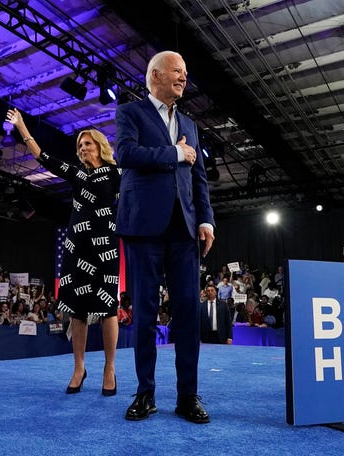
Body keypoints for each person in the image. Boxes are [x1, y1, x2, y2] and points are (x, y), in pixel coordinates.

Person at [115, 50, 215, 423]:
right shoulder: (131, 113)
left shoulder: (190, 123)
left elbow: (200, 179)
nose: (183, 77)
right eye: (177, 71)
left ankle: (188, 396)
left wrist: (206, 221)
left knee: (188, 314)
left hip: (185, 230)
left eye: (185, 72)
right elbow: (124, 153)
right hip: (143, 227)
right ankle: (145, 393)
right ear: (155, 75)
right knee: (143, 314)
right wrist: (173, 153)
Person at [6, 108, 121, 397]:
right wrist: (22, 126)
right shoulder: (77, 173)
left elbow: (135, 197)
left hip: (105, 247)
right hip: (76, 247)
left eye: (87, 144)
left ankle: (110, 368)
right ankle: (79, 368)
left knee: (108, 310)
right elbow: (42, 157)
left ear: (99, 146)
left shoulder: (116, 173)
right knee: (77, 310)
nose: (82, 148)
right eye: (80, 145)